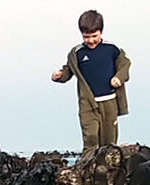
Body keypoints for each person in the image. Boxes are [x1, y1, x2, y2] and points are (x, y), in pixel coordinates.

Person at [51, 10, 131, 155]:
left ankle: (109, 173)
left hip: (109, 101)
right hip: (88, 103)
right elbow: (69, 70)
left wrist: (119, 78)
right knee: (91, 137)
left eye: (94, 36)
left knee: (109, 143)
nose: (91, 40)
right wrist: (60, 75)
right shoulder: (77, 53)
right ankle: (86, 169)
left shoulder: (111, 49)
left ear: (101, 32)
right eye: (86, 37)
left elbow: (125, 65)